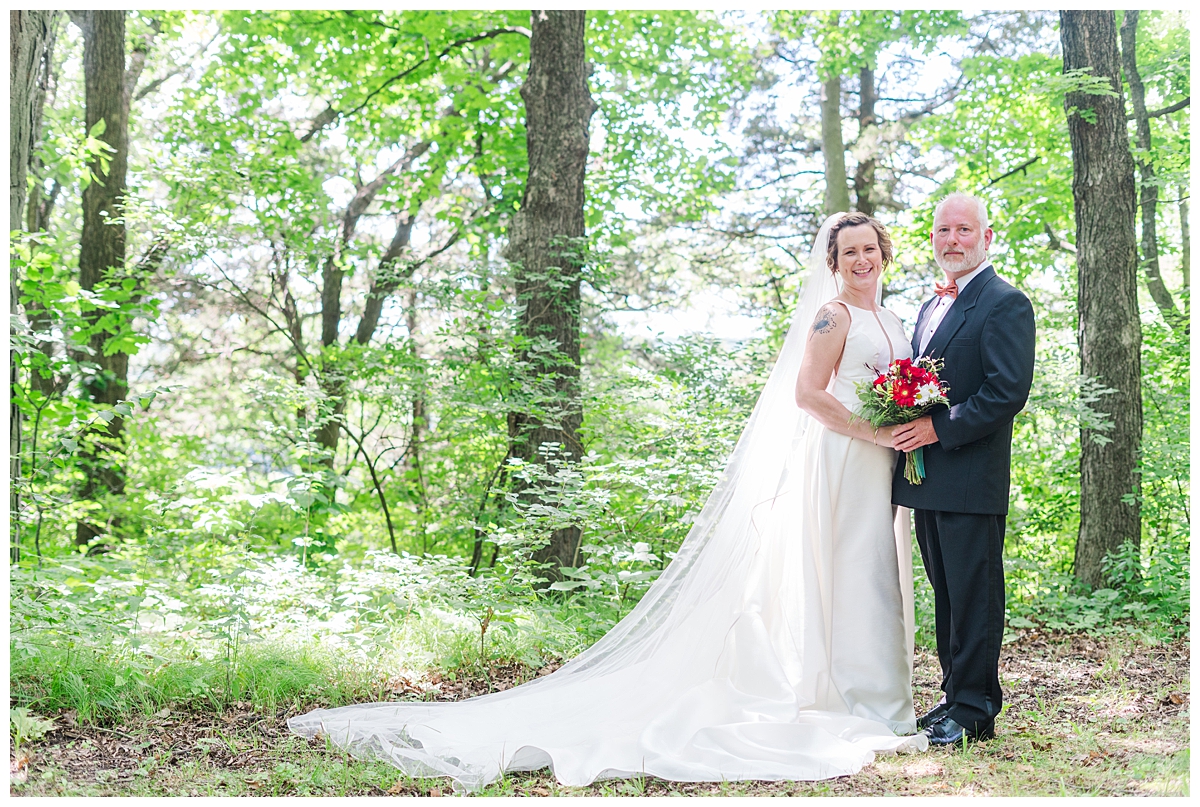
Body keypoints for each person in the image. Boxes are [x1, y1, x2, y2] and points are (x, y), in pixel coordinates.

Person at [288, 212, 927, 791]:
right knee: (851, 571)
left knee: (876, 569)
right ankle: (856, 698)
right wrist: (873, 430)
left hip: (884, 461)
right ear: (833, 263)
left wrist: (903, 425)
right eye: (850, 253)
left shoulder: (893, 319)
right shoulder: (832, 317)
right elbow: (808, 395)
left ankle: (879, 694)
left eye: (871, 249)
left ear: (884, 254)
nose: (862, 261)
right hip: (845, 457)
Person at [891, 193, 1036, 746]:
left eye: (963, 231)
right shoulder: (931, 306)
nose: (952, 240)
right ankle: (954, 696)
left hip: (971, 475)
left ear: (987, 237)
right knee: (946, 593)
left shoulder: (1005, 302)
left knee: (975, 594)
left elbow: (1006, 392)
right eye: (943, 231)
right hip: (927, 477)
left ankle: (976, 710)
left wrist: (937, 429)